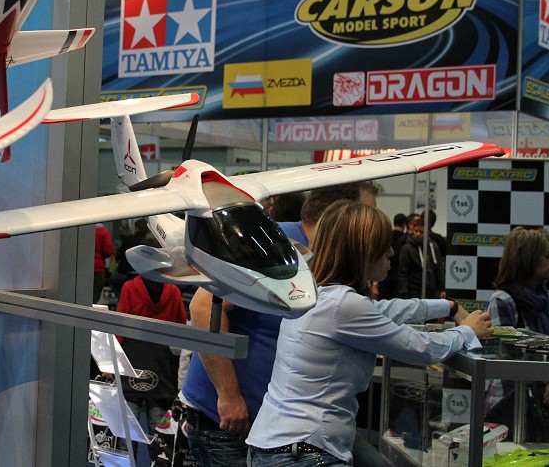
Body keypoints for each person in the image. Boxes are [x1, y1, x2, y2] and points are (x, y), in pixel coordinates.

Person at [246, 200, 493, 467]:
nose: (391, 252)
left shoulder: (320, 296)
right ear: (362, 250)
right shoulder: (344, 305)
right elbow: (421, 348)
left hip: (276, 446)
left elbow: (387, 309)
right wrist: (467, 332)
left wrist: (449, 306)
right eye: (383, 245)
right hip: (303, 452)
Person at [179, 181, 384, 467]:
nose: (373, 226)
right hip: (229, 420)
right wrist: (229, 395)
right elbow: (203, 308)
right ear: (339, 213)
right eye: (367, 214)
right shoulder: (270, 243)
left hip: (282, 427)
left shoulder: (330, 259)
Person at [485, 226, 549, 438]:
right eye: (548, 256)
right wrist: (548, 382)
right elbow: (506, 360)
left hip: (546, 408)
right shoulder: (503, 301)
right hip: (510, 408)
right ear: (527, 259)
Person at [116, 270, 188, 459]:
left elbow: (120, 327)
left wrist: (112, 361)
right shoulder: (173, 291)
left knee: (127, 428)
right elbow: (180, 324)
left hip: (132, 362)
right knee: (159, 430)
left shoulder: (129, 287)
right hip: (161, 365)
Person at [395, 215, 445, 299]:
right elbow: (402, 273)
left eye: (421, 231)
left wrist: (442, 288)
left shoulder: (433, 247)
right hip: (413, 292)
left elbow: (439, 269)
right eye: (416, 231)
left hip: (432, 292)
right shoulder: (406, 249)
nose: (418, 234)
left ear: (427, 232)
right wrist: (404, 293)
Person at [94, 223, 115, 303]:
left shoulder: (85, 231)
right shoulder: (103, 232)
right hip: (97, 267)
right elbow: (108, 250)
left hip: (83, 267)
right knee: (94, 297)